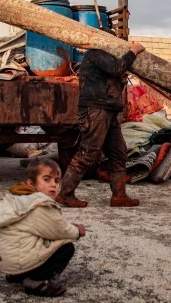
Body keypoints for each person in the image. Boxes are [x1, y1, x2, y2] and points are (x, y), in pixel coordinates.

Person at [56, 31, 145, 208]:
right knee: (88, 152)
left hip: (108, 111)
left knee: (118, 152)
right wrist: (133, 51)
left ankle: (119, 196)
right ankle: (65, 194)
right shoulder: (96, 53)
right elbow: (117, 68)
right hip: (95, 110)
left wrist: (120, 80)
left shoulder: (105, 58)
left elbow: (114, 78)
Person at [0, 158, 85, 297]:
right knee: (66, 247)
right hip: (20, 261)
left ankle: (17, 275)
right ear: (31, 183)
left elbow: (45, 227)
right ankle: (36, 281)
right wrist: (77, 231)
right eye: (47, 179)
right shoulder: (40, 205)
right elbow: (59, 230)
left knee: (31, 238)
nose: (53, 185)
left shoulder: (19, 198)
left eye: (57, 181)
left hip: (8, 263)